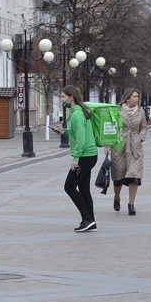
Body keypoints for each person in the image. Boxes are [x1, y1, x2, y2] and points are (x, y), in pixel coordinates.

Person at [61, 85, 98, 232]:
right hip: (90, 155)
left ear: (71, 97)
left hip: (84, 156)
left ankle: (87, 218)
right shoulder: (81, 111)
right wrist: (65, 131)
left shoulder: (76, 114)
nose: (62, 99)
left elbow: (81, 138)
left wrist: (75, 158)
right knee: (83, 189)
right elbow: (77, 131)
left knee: (69, 187)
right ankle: (91, 222)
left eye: (63, 97)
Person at [111, 88, 147, 216]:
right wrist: (109, 144)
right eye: (135, 97)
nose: (137, 99)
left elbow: (143, 127)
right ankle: (117, 197)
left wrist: (140, 138)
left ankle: (131, 204)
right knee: (118, 177)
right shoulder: (117, 110)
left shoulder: (141, 111)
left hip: (135, 147)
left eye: (138, 97)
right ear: (127, 98)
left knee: (134, 176)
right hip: (119, 145)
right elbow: (111, 126)